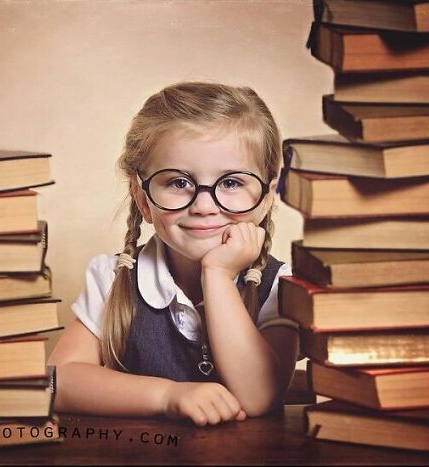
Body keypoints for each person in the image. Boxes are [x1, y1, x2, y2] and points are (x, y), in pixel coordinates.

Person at [49, 82, 299, 427]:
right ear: (142, 198)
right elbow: (58, 380)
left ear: (268, 196)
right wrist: (167, 396)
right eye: (178, 183)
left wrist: (218, 276)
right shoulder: (114, 279)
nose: (204, 206)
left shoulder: (281, 288)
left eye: (231, 183)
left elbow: (257, 397)